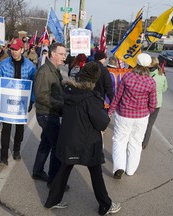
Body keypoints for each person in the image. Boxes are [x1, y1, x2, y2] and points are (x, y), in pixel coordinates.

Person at [44, 62, 121, 215]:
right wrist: (106, 114)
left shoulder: (68, 90)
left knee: (63, 170)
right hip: (87, 142)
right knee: (96, 173)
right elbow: (102, 123)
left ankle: (52, 201)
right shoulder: (92, 98)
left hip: (69, 140)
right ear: (95, 80)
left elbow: (60, 109)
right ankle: (105, 205)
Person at [108, 53, 157, 179]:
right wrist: (148, 111)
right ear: (149, 65)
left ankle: (119, 167)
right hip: (141, 117)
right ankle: (130, 170)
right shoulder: (151, 81)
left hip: (124, 114)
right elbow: (153, 103)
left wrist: (111, 110)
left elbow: (118, 96)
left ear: (137, 62)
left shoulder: (127, 76)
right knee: (136, 142)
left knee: (119, 140)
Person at [0, 38, 36, 166]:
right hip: (7, 102)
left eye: (16, 49)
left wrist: (31, 101)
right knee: (6, 129)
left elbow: (34, 85)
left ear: (22, 50)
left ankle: (17, 149)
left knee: (19, 128)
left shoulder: (30, 66)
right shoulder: (3, 64)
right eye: (12, 49)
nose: (14, 52)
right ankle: (3, 156)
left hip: (21, 103)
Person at [32, 42, 65, 186]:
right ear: (53, 54)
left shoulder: (54, 70)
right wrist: (61, 105)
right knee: (57, 146)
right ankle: (54, 181)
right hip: (47, 114)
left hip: (51, 112)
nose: (64, 57)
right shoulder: (45, 71)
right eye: (62, 54)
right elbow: (41, 96)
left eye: (65, 54)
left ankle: (37, 171)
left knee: (46, 143)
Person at [142, 57, 168, 149]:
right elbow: (165, 88)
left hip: (146, 102)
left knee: (142, 122)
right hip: (157, 103)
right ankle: (145, 142)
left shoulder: (146, 74)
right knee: (150, 123)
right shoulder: (161, 75)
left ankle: (139, 139)